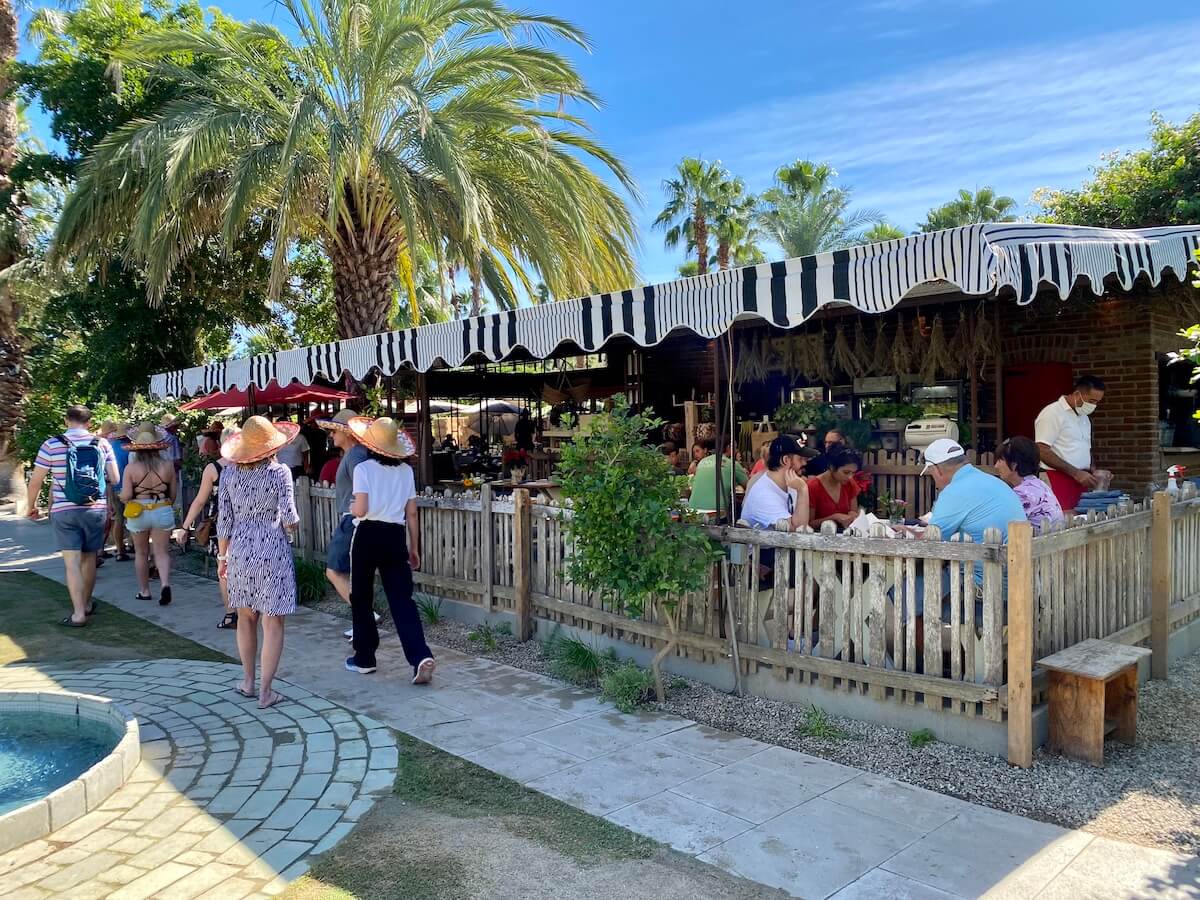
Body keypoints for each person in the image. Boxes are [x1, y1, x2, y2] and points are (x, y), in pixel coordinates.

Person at [216, 416, 301, 709]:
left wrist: (222, 556)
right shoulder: (280, 473)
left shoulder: (228, 475)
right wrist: (290, 527)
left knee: (245, 618)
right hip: (272, 550)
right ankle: (267, 691)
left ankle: (248, 682)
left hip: (239, 551)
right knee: (273, 620)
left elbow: (223, 522)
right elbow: (289, 517)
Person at [343, 416, 436, 684]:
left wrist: (351, 508)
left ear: (369, 444)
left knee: (361, 596)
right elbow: (412, 513)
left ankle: (365, 658)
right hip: (396, 535)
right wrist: (413, 548)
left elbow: (360, 509)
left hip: (367, 534)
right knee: (402, 600)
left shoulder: (363, 469)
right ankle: (419, 656)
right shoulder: (406, 472)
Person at [26, 405, 120, 626]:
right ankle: (86, 604)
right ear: (89, 422)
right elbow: (115, 478)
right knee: (89, 558)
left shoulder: (51, 444)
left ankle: (78, 614)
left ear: (66, 420)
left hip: (64, 510)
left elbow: (36, 481)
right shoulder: (102, 444)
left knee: (72, 563)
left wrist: (31, 506)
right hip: (95, 509)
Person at [317, 409, 380, 640]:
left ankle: (365, 616)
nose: (331, 435)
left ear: (347, 433)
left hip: (352, 520)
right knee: (355, 574)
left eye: (334, 431)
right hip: (354, 519)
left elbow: (365, 488)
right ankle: (363, 618)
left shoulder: (355, 456)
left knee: (333, 570)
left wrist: (356, 513)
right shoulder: (355, 454)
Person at [176, 424, 240, 629]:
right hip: (248, 523)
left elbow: (199, 501)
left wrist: (185, 527)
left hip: (221, 525)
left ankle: (231, 613)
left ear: (222, 444)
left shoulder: (214, 469)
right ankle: (250, 609)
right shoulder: (251, 464)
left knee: (224, 569)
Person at [120, 424, 178, 606]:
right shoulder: (168, 466)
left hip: (138, 510)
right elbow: (173, 494)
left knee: (141, 553)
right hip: (162, 508)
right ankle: (165, 584)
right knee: (161, 552)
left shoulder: (131, 468)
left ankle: (144, 591)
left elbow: (127, 495)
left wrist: (121, 498)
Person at [1035, 375, 1106, 513]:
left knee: (1081, 519)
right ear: (1077, 394)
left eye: (1097, 402)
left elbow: (1085, 448)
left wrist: (1093, 470)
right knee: (1061, 521)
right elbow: (1042, 450)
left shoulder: (1085, 418)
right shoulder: (1052, 413)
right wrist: (1075, 473)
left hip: (1080, 479)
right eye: (1091, 401)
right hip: (1056, 477)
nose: (1094, 406)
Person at [740, 435, 811, 532]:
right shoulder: (764, 494)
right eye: (800, 459)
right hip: (764, 547)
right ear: (785, 460)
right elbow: (797, 531)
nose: (804, 463)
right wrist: (803, 489)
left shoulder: (791, 483)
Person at [996, 437, 1064, 533]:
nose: (996, 466)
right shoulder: (1038, 484)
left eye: (1000, 460)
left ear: (1014, 465)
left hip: (1036, 546)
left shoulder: (1023, 493)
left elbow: (999, 523)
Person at [688, 439, 749, 517]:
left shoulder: (702, 462)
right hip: (716, 512)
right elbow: (749, 486)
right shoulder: (732, 464)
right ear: (728, 447)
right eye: (735, 447)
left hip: (693, 509)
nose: (736, 450)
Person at [808, 446, 863, 530]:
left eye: (853, 473)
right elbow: (808, 523)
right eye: (846, 472)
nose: (850, 477)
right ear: (832, 467)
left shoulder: (849, 484)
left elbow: (853, 513)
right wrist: (834, 517)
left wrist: (853, 515)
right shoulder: (813, 486)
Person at [108, 420, 133, 561]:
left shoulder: (110, 447)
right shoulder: (130, 448)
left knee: (118, 518)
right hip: (129, 487)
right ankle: (132, 543)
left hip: (113, 486)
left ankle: (119, 550)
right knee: (133, 516)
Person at [160, 413, 184, 509]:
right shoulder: (172, 439)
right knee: (174, 502)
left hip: (159, 474)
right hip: (172, 474)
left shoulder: (159, 438)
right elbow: (176, 459)